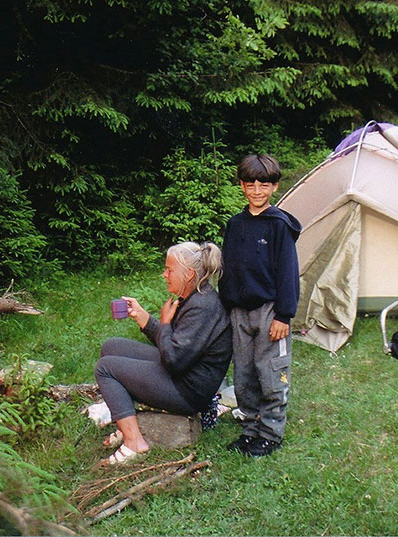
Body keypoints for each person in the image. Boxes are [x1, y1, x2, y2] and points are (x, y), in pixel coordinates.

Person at [94, 241, 232, 465]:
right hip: (182, 374)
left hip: (189, 390)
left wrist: (166, 324)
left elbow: (174, 360)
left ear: (188, 274)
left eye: (169, 270)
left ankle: (134, 442)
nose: (164, 274)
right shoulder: (194, 296)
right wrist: (145, 319)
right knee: (111, 346)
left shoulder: (203, 307)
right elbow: (178, 346)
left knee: (105, 368)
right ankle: (126, 418)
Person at [219, 154, 301, 457]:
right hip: (239, 312)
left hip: (269, 312)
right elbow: (228, 267)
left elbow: (288, 273)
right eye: (250, 184)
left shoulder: (279, 226)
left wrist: (284, 315)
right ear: (241, 185)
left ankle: (270, 432)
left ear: (274, 186)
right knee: (244, 374)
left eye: (263, 184)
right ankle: (251, 428)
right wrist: (226, 305)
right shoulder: (235, 224)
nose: (256, 190)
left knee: (270, 373)